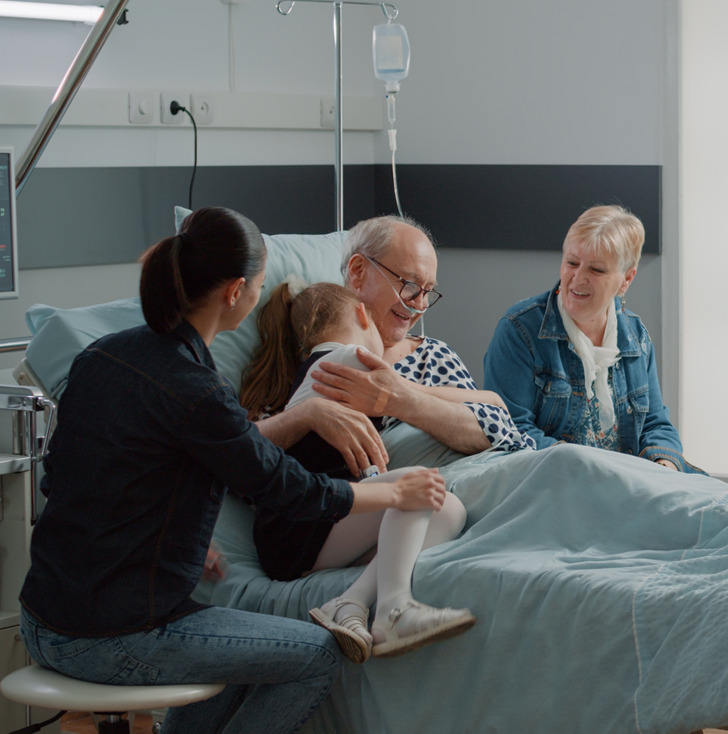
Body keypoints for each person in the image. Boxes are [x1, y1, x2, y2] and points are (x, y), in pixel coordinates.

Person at [18, 207, 452, 734]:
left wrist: (162, 537)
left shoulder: (103, 355)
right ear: (236, 293)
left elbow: (67, 478)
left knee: (252, 648)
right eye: (261, 287)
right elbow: (287, 488)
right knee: (317, 653)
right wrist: (395, 493)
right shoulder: (197, 391)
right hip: (112, 636)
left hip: (42, 617)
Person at [240, 279, 476, 663]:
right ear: (361, 315)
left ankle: (350, 602)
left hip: (307, 536)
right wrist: (487, 397)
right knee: (415, 482)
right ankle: (394, 608)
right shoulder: (348, 358)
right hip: (299, 523)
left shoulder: (317, 372)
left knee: (447, 508)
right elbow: (409, 393)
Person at [253, 215, 534, 486]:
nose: (419, 305)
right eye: (409, 284)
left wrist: (401, 399)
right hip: (397, 504)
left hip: (488, 476)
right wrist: (306, 414)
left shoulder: (432, 355)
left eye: (428, 291)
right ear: (358, 271)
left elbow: (502, 433)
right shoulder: (310, 362)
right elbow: (243, 446)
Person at [482, 204, 703, 473]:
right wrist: (601, 473)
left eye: (596, 270)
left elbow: (656, 424)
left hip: (631, 481)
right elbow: (512, 430)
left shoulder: (636, 335)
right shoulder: (520, 329)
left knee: (711, 495)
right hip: (558, 481)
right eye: (572, 263)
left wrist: (664, 467)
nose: (578, 278)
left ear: (626, 279)